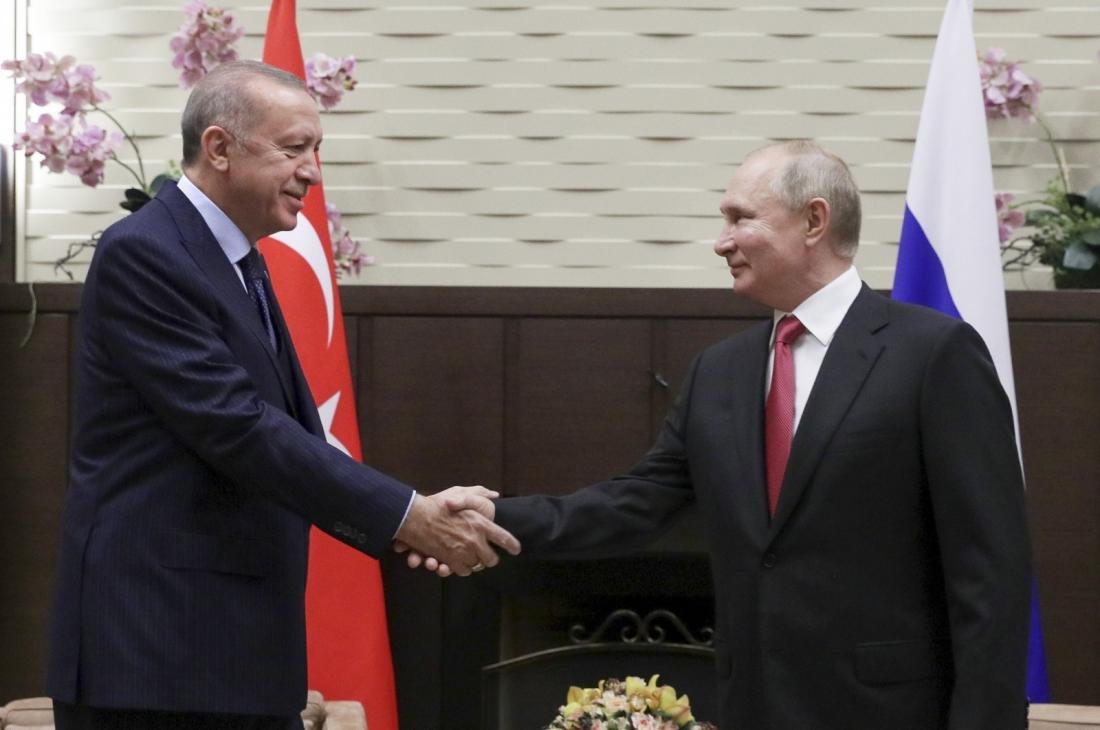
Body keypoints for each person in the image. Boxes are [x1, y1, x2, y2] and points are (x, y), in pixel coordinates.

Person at [414, 140, 1032, 729]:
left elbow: (990, 574)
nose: (721, 241)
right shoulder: (722, 370)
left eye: (741, 218)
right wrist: (493, 518)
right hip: (753, 705)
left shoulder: (932, 354)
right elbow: (634, 503)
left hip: (887, 713)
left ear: (814, 221)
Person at [45, 60, 519, 730]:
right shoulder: (147, 253)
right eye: (294, 149)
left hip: (226, 652)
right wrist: (407, 516)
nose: (313, 173)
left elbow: (281, 429)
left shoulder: (239, 259)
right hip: (156, 658)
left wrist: (408, 515)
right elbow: (237, 427)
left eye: (316, 151)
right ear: (219, 148)